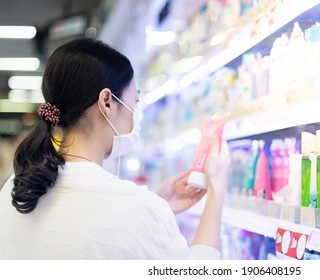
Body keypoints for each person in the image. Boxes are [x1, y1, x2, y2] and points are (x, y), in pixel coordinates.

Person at [0, 38, 229, 259]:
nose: (136, 114)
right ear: (107, 102)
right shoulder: (136, 207)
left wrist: (157, 210)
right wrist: (216, 190)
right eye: (135, 102)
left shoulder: (15, 189)